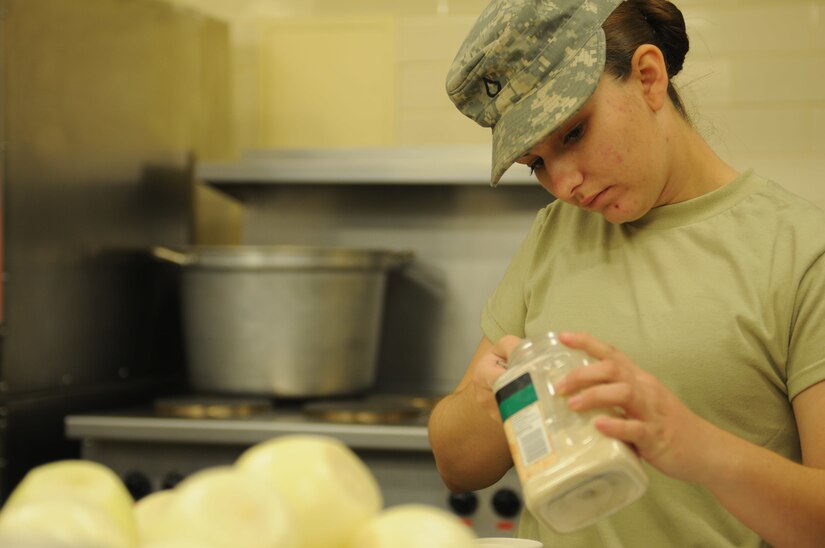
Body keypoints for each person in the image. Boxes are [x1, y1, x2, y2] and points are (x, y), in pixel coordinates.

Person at [427, 0, 825, 546]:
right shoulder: (555, 233)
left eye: (573, 133)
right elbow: (459, 468)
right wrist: (485, 400)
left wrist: (693, 445)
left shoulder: (802, 252)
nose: (564, 183)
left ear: (648, 76)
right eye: (537, 163)